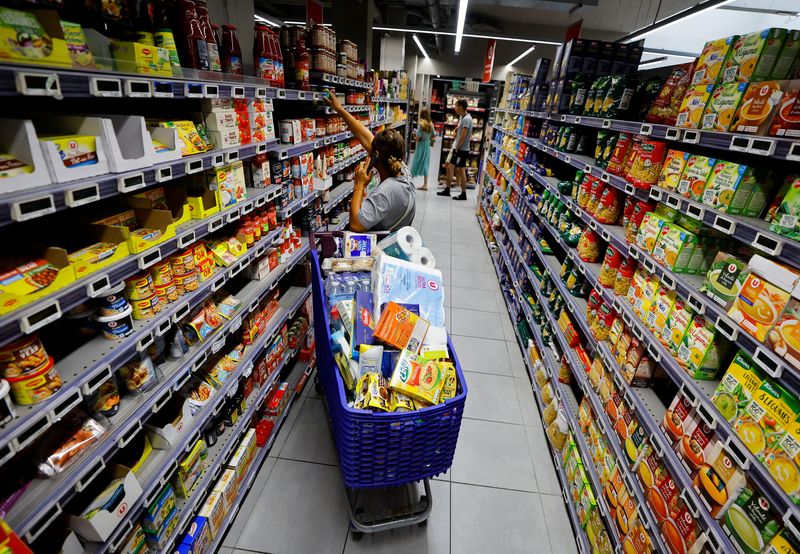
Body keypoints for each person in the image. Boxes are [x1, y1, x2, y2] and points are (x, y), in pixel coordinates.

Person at [324, 89, 416, 232]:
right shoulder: (403, 171)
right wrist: (339, 109)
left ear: (376, 156)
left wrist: (359, 185)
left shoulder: (387, 191)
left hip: (381, 247)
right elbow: (366, 138)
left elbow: (355, 225)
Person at [438, 98, 472, 201]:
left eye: (456, 106)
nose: (455, 108)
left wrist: (456, 148)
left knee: (461, 171)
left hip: (461, 150)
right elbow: (461, 130)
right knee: (449, 167)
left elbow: (463, 135)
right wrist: (457, 128)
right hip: (459, 149)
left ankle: (463, 194)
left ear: (461, 107)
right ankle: (447, 190)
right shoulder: (464, 117)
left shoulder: (466, 119)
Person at [410, 108, 435, 190]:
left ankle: (409, 181)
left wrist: (414, 136)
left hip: (420, 145)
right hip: (427, 145)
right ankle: (425, 184)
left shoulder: (421, 125)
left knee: (416, 161)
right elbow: (434, 135)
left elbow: (417, 138)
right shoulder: (431, 124)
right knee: (425, 164)